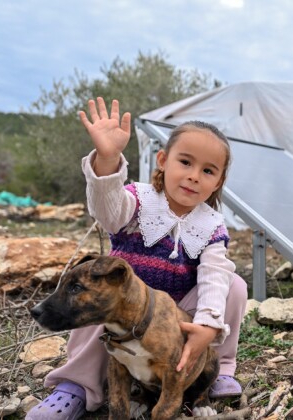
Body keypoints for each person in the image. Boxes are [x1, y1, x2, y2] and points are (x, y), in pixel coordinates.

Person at [27, 97, 247, 420]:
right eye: (185, 162)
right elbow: (107, 210)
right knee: (97, 297)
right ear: (163, 160)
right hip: (127, 303)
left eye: (208, 170)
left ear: (218, 182)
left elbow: (214, 274)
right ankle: (76, 385)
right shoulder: (139, 200)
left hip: (175, 315)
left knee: (233, 286)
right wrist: (107, 159)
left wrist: (207, 325)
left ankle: (220, 368)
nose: (194, 176)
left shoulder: (212, 225)